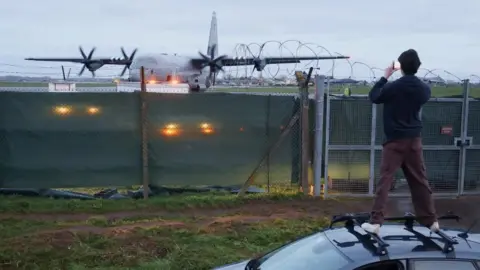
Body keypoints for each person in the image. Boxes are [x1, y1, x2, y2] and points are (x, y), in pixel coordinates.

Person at [361, 49, 439, 235]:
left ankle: (376, 221)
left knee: (386, 180)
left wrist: (385, 76)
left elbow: (374, 96)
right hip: (414, 140)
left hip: (394, 140)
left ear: (401, 66)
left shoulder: (394, 87)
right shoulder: (424, 89)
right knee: (420, 181)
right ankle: (431, 220)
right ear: (418, 67)